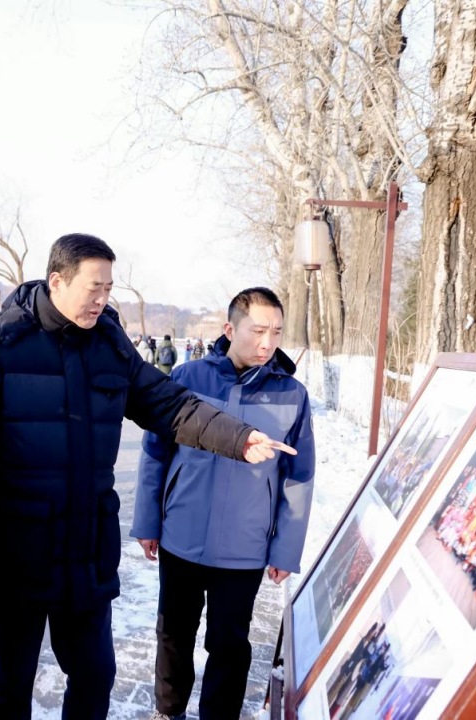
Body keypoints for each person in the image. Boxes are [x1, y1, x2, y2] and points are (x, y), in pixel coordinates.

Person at [0, 234, 296, 719]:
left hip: (86, 549)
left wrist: (238, 437)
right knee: (11, 684)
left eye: (109, 287)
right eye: (94, 287)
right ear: (58, 281)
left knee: (94, 676)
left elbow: (169, 404)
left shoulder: (109, 342)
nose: (102, 298)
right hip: (16, 550)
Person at [132, 287, 316, 720]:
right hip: (181, 536)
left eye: (276, 332)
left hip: (244, 548)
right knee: (173, 633)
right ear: (230, 330)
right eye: (257, 330)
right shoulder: (187, 378)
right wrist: (148, 521)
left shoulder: (292, 394)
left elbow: (299, 477)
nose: (267, 342)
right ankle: (168, 710)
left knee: (229, 644)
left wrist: (285, 550)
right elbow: (156, 453)